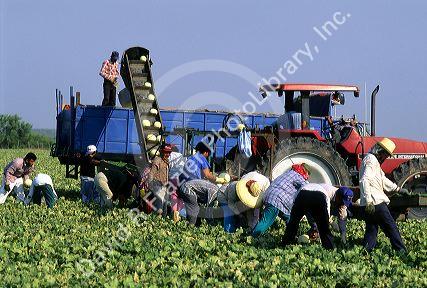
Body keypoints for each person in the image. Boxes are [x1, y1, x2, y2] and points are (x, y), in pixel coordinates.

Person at [359, 138, 407, 252]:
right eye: (386, 155)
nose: (386, 158)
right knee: (391, 227)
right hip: (376, 202)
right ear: (380, 151)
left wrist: (398, 189)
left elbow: (383, 180)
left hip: (370, 203)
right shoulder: (371, 160)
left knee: (371, 229)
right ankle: (401, 251)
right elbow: (364, 180)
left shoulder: (373, 161)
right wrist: (369, 200)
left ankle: (366, 253)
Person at [282, 184, 354, 250]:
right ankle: (330, 247)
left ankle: (286, 243)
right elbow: (325, 212)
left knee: (293, 222)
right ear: (338, 196)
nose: (342, 204)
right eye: (342, 202)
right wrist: (329, 222)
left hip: (302, 193)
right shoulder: (328, 192)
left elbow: (342, 215)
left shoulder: (340, 198)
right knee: (324, 227)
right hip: (313, 195)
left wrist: (343, 234)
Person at [252, 164, 312, 237]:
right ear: (305, 172)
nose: (307, 178)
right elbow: (307, 188)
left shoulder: (288, 173)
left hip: (270, 196)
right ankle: (252, 239)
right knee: (265, 222)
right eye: (308, 175)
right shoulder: (299, 177)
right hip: (277, 200)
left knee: (291, 220)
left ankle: (291, 239)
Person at [178, 141, 228, 225]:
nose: (207, 156)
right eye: (208, 154)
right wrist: (219, 179)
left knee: (192, 207)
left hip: (184, 185)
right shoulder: (201, 158)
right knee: (194, 209)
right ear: (206, 152)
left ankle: (189, 222)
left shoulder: (191, 158)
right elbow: (207, 175)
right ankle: (190, 227)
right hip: (191, 186)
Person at [145, 144, 173, 215]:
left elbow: (166, 175)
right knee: (159, 208)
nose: (168, 154)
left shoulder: (167, 162)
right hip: (156, 185)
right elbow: (151, 174)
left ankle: (161, 223)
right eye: (166, 152)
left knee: (165, 208)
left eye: (169, 152)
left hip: (164, 186)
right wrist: (150, 186)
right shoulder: (157, 160)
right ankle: (156, 221)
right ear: (161, 152)